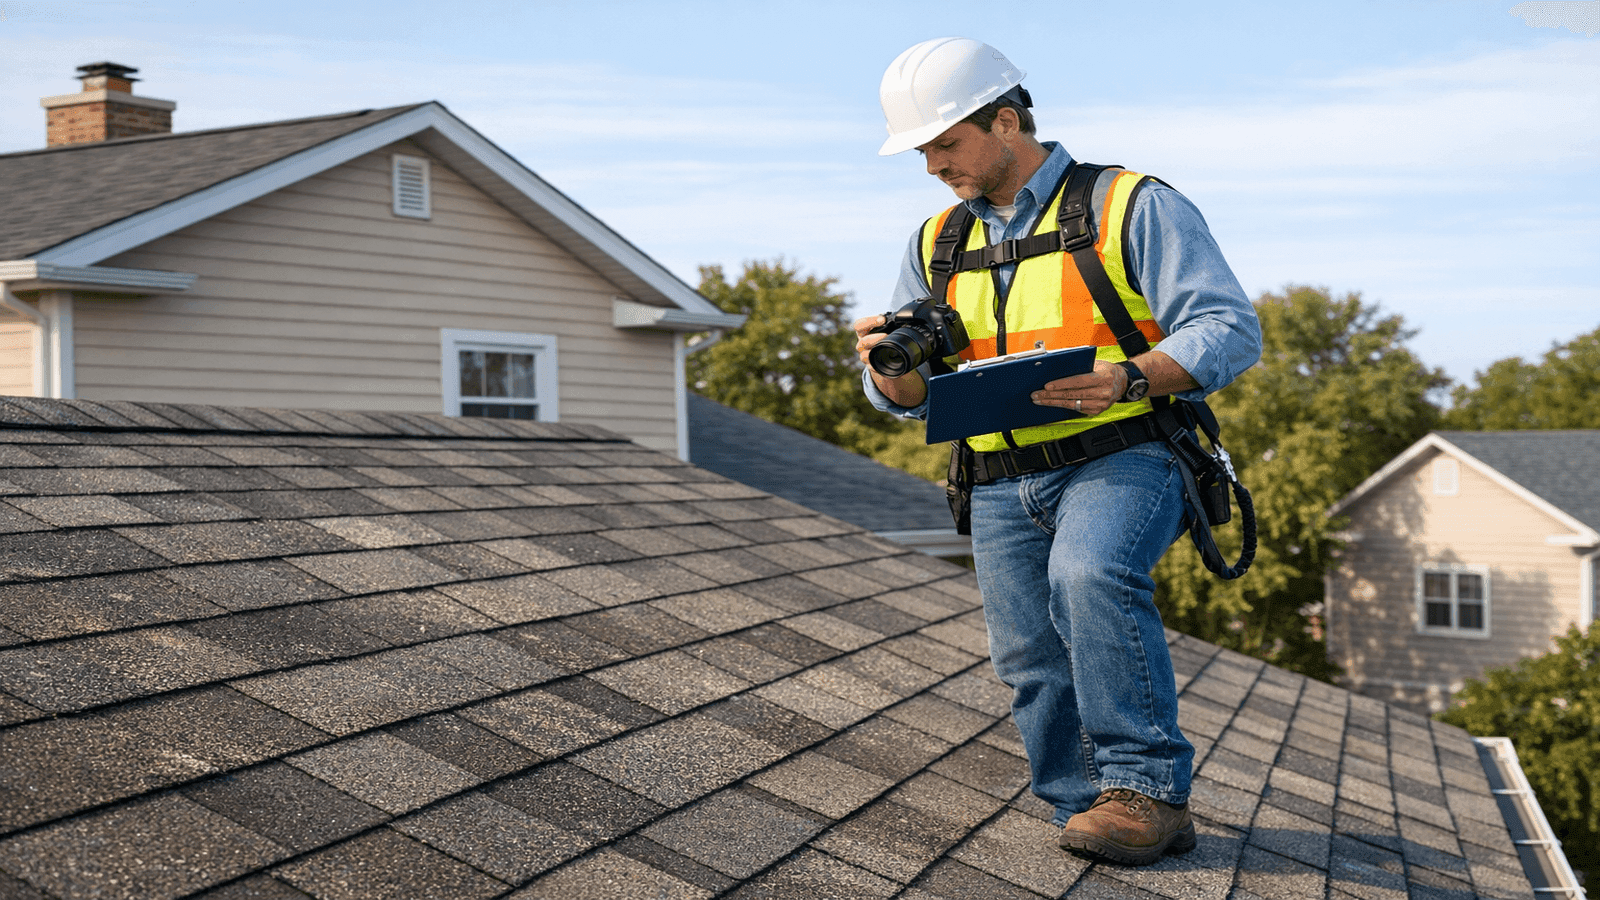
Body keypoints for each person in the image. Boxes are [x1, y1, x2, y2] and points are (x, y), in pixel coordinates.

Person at [855, 37, 1262, 866]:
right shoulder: (935, 242)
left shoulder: (1129, 206)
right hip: (1000, 478)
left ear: (1006, 121)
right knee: (1029, 654)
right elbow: (905, 395)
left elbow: (1229, 327)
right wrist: (887, 377)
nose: (932, 165)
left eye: (945, 143)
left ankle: (1146, 792)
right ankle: (1084, 809)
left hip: (1125, 452)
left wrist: (1133, 375)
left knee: (1089, 576)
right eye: (922, 150)